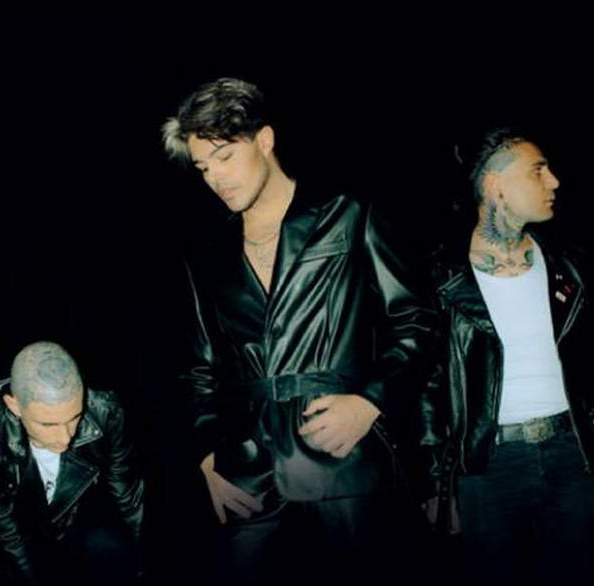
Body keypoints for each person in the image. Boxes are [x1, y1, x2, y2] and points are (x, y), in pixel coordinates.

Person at [161, 77, 431, 585]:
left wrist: (370, 402)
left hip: (344, 460)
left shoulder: (348, 215)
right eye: (203, 167)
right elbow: (199, 370)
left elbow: (416, 324)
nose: (215, 178)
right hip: (247, 477)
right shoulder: (206, 255)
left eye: (224, 157)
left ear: (264, 140)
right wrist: (207, 458)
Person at [418, 127, 594, 586]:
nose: (554, 181)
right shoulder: (441, 275)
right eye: (538, 171)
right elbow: (428, 385)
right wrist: (438, 484)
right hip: (488, 465)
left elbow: (591, 369)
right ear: (495, 185)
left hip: (570, 454)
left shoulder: (567, 262)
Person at [0, 341, 144, 586]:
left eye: (74, 417)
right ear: (14, 405)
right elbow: (8, 537)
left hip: (77, 524)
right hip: (16, 539)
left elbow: (128, 498)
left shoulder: (105, 412)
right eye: (48, 425)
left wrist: (141, 566)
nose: (65, 437)